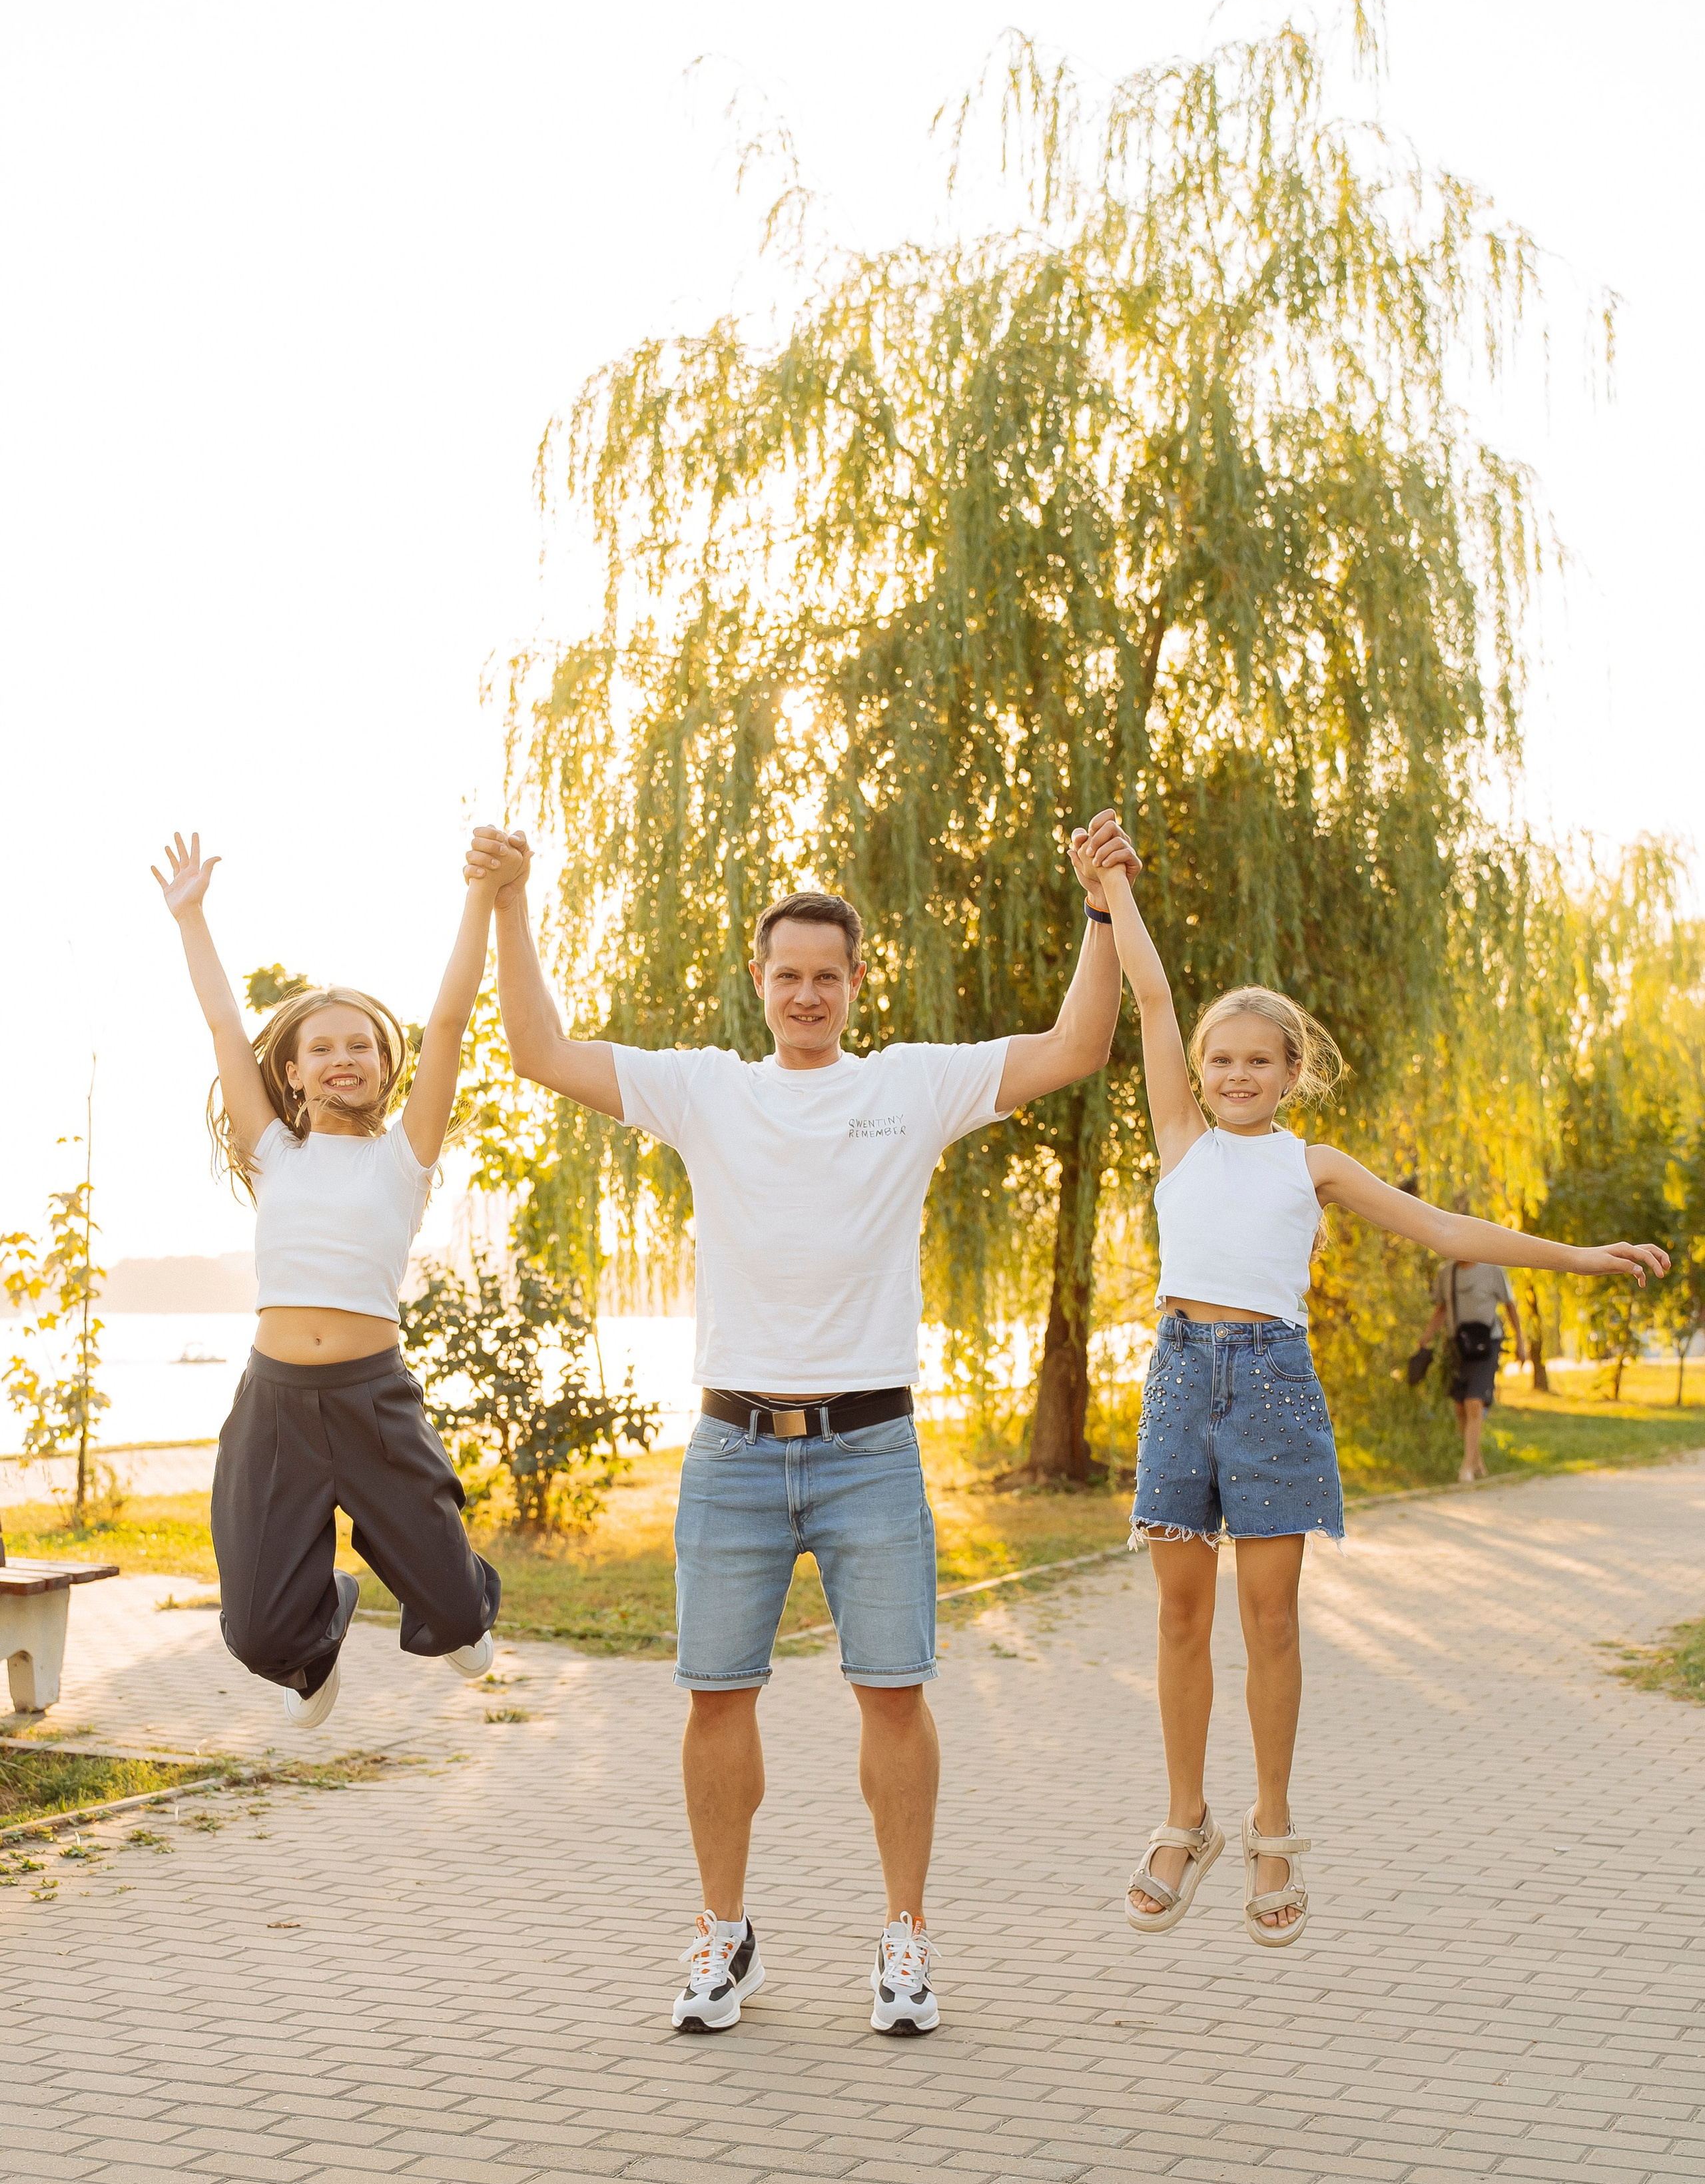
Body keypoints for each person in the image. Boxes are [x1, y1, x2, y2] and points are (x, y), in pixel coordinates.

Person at [466, 817, 1136, 2035]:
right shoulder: (707, 1090)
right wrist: (512, 904)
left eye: (829, 975)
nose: (809, 994)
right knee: (717, 1697)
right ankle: (725, 1938)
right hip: (730, 1453)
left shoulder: (911, 1084)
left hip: (871, 1450)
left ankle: (906, 1940)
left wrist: (1100, 910)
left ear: (856, 983)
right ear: (759, 982)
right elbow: (540, 1050)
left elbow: (1078, 1045)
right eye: (789, 975)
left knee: (892, 1693)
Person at [1077, 807, 1670, 1949]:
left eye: (1260, 1060)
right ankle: (1183, 1816)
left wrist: (1577, 1257)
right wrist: (1113, 889)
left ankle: (1273, 1826)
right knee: (1182, 1616)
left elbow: (1448, 1235)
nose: (1237, 1073)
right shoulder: (1179, 1137)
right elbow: (1150, 996)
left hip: (1273, 1389)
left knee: (1273, 1620)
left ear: (1293, 1073)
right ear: (1200, 1072)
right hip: (1182, 1377)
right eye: (1222, 1060)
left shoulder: (1316, 1165)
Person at [153, 830, 505, 1730]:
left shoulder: (404, 1159)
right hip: (274, 1404)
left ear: (386, 1066)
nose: (344, 1056)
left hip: (372, 1400)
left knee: (464, 1628)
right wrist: (192, 917)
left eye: (362, 1045)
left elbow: (453, 1019)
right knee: (256, 1635)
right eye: (322, 1047)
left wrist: (486, 896)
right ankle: (322, 1633)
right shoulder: (274, 1153)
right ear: (295, 1071)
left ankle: (454, 1595)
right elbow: (227, 1026)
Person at [1417, 1211, 1524, 1481]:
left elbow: (1511, 1307)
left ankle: (1466, 1467)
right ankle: (1477, 1463)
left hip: (1488, 1343)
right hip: (1458, 1345)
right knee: (1460, 1407)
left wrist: (1521, 1343)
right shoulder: (1446, 1273)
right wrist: (1425, 1338)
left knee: (1474, 1403)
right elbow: (1442, 1309)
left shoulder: (1492, 1270)